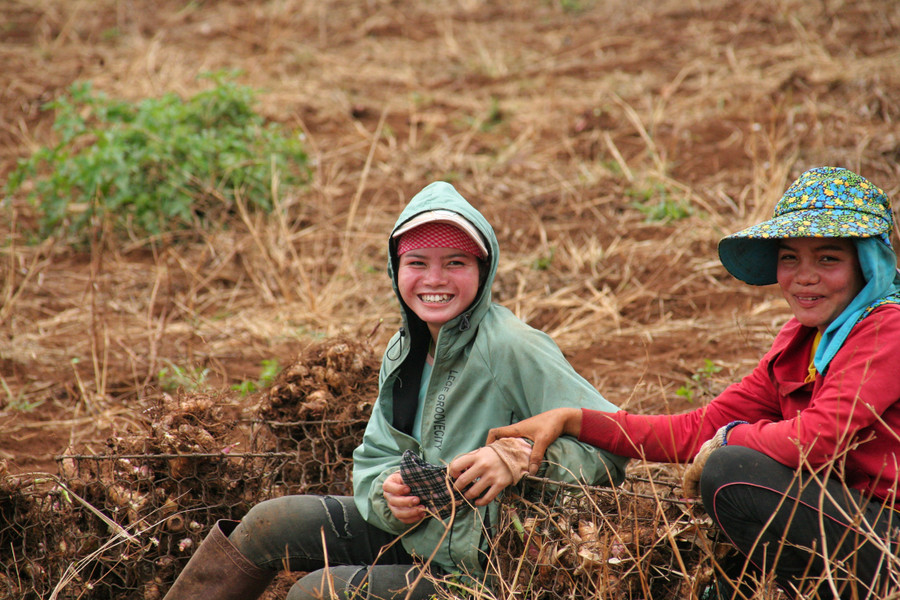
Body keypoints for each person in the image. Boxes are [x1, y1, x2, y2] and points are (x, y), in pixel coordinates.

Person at [162, 181, 629, 600]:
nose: (435, 279)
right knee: (271, 522)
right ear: (396, 269)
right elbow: (376, 454)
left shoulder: (512, 347)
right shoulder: (404, 348)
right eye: (417, 263)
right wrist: (388, 493)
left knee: (314, 594)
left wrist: (517, 455)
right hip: (415, 533)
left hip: (481, 570)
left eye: (456, 263)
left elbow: (613, 443)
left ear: (483, 271)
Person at [487, 166, 900, 599]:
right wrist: (573, 419)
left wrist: (731, 438)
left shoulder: (885, 330)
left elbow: (816, 439)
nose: (805, 275)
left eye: (828, 258)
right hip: (853, 521)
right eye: (789, 257)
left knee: (730, 470)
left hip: (887, 536)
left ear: (868, 263)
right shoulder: (801, 342)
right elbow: (696, 429)